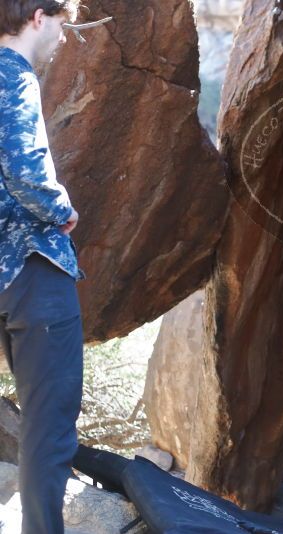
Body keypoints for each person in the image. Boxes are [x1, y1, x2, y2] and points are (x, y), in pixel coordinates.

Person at [0, 2, 85, 532]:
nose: (62, 35)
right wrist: (63, 209)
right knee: (48, 427)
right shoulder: (14, 74)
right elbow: (23, 167)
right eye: (62, 23)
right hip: (33, 270)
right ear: (38, 17)